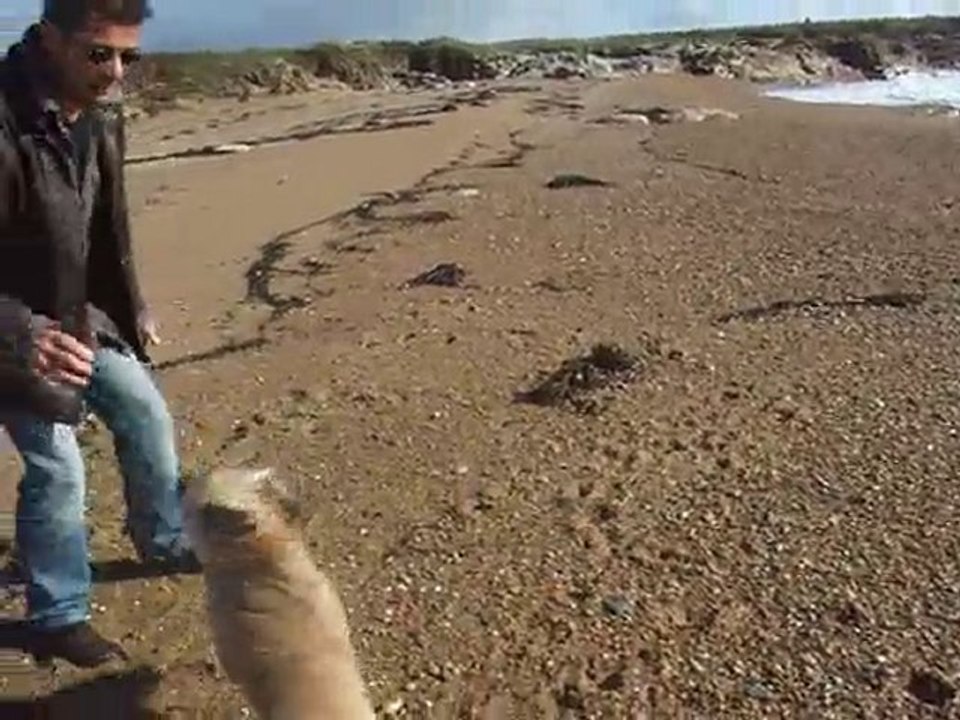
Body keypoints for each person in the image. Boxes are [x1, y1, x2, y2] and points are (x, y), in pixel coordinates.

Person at [0, 0, 200, 669]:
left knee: (145, 413)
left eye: (127, 57)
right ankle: (57, 615)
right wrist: (21, 333)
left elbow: (106, 225)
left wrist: (132, 303)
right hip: (17, 336)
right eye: (99, 53)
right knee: (59, 466)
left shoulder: (101, 116)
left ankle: (165, 537)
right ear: (50, 38)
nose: (115, 72)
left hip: (82, 315)